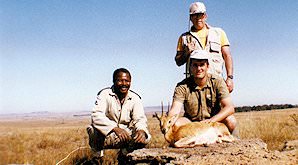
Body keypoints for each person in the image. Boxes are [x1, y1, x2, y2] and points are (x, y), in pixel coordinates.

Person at [87, 68, 151, 164]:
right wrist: (114, 128)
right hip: (107, 136)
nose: (124, 83)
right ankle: (97, 158)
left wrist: (141, 130)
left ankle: (124, 155)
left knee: (145, 137)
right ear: (114, 81)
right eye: (120, 80)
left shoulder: (135, 98)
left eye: (127, 81)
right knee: (93, 130)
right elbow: (96, 115)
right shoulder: (104, 94)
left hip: (125, 136)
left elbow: (139, 118)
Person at [169, 50, 238, 137]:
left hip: (214, 121)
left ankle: (235, 143)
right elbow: (174, 110)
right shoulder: (182, 87)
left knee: (231, 120)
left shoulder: (217, 81)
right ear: (190, 67)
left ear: (207, 66)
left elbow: (230, 107)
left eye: (202, 64)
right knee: (176, 124)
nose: (199, 69)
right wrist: (167, 121)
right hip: (192, 123)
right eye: (195, 65)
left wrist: (211, 121)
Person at [175, 1, 234, 93]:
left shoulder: (219, 33)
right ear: (190, 18)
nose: (198, 18)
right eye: (195, 15)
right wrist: (186, 52)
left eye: (201, 15)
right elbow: (178, 61)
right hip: (194, 88)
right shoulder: (184, 38)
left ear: (205, 16)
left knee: (225, 107)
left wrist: (229, 78)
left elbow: (227, 56)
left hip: (217, 83)